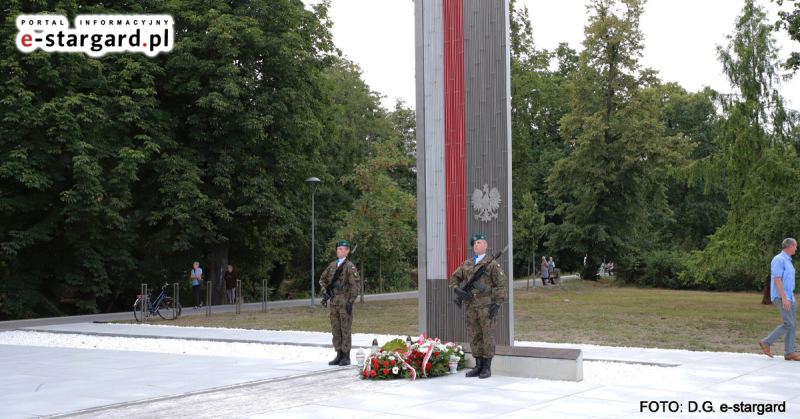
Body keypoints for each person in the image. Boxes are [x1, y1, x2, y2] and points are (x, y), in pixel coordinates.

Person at [450, 234, 508, 379]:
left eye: (479, 242)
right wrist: (457, 289)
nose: (476, 245)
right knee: (474, 335)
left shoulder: (492, 264)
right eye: (475, 243)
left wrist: (497, 303)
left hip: (486, 305)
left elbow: (501, 284)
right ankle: (478, 366)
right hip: (471, 305)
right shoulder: (467, 264)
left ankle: (486, 368)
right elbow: (454, 278)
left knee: (487, 335)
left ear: (485, 245)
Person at [319, 241, 360, 366]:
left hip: (344, 301)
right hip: (334, 302)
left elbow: (355, 285)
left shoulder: (350, 266)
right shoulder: (332, 266)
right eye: (337, 249)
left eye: (341, 249)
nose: (338, 250)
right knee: (335, 329)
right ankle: (339, 354)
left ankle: (346, 356)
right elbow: (322, 279)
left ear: (347, 251)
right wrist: (324, 290)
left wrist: (351, 302)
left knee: (345, 329)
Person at [760, 238, 799, 361]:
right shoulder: (778, 260)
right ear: (790, 246)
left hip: (789, 296)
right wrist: (784, 298)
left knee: (793, 325)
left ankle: (789, 352)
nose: (797, 248)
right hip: (780, 296)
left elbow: (788, 282)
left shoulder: (788, 261)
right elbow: (777, 280)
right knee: (789, 323)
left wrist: (792, 298)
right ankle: (766, 342)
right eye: (796, 246)